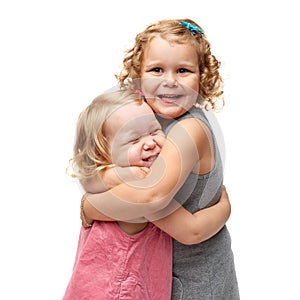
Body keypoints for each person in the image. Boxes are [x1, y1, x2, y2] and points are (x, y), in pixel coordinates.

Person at [81, 18, 240, 299]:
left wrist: (91, 207)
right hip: (156, 272)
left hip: (193, 281)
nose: (169, 81)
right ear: (138, 76)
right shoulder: (146, 119)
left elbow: (151, 199)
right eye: (156, 69)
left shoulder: (190, 129)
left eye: (183, 70)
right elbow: (102, 168)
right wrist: (106, 183)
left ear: (202, 77)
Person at [63, 88, 231, 300]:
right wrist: (225, 208)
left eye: (154, 131)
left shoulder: (104, 178)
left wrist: (114, 176)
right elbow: (192, 231)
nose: (150, 143)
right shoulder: (140, 192)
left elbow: (89, 175)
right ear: (103, 153)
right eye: (134, 140)